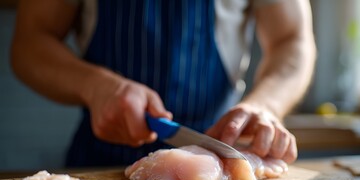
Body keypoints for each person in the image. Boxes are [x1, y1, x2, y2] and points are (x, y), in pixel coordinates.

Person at [11, 0, 316, 167]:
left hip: (218, 161)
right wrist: (95, 86)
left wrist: (265, 105)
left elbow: (292, 40)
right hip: (98, 166)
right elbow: (30, 41)